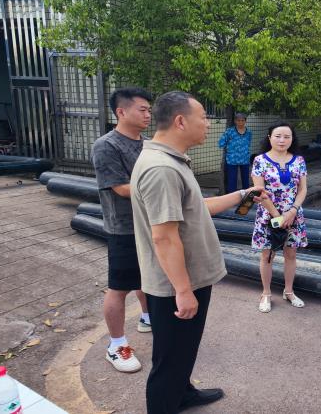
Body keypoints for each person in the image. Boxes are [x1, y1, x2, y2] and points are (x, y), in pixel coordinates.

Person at [130, 91, 265, 413]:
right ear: (180, 121)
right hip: (176, 284)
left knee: (183, 350)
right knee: (170, 358)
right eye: (203, 117)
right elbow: (164, 237)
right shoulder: (162, 169)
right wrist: (183, 290)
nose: (208, 124)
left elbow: (196, 207)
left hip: (186, 278)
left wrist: (242, 194)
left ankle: (183, 393)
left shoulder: (171, 161)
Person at [91, 87, 153, 373]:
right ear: (121, 112)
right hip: (124, 228)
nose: (148, 114)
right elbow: (121, 188)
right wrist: (165, 187)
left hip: (152, 223)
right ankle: (116, 345)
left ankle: (148, 317)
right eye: (142, 109)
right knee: (119, 287)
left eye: (149, 110)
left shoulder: (149, 144)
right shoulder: (106, 146)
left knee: (148, 278)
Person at [250, 121, 308, 313]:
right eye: (278, 136)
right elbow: (259, 192)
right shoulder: (260, 160)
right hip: (268, 215)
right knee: (268, 255)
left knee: (291, 254)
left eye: (286, 136)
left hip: (293, 215)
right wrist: (277, 216)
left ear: (292, 139)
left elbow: (302, 189)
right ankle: (266, 293)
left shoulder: (299, 160)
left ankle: (288, 291)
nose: (282, 140)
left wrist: (292, 211)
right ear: (269, 138)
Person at [218, 112, 252, 193]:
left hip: (245, 159)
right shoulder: (230, 131)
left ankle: (246, 196)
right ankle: (232, 197)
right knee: (232, 180)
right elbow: (221, 143)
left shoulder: (249, 132)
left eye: (242, 120)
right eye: (238, 120)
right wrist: (231, 146)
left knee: (246, 180)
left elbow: (248, 143)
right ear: (235, 121)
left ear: (245, 121)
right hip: (232, 159)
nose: (240, 122)